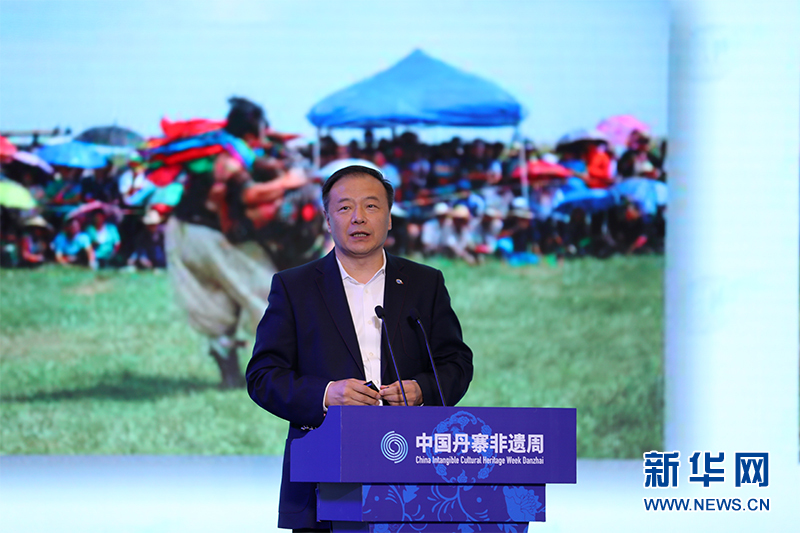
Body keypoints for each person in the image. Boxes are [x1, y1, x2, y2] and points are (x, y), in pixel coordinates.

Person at [246, 165, 474, 531]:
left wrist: (423, 390)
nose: (358, 218)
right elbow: (263, 376)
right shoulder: (294, 287)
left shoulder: (424, 283)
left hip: (412, 472)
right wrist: (326, 394)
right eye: (344, 207)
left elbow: (456, 362)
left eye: (371, 206)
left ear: (389, 218)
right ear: (327, 220)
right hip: (323, 475)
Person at [165, 96, 308, 388]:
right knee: (267, 293)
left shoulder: (226, 149)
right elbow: (248, 195)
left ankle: (232, 374)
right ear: (253, 130)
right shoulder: (229, 159)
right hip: (207, 236)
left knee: (220, 303)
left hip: (187, 232)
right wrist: (288, 182)